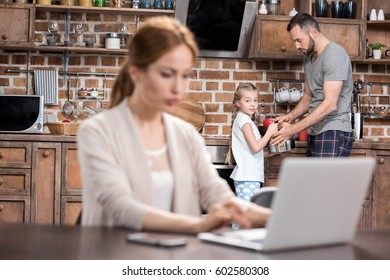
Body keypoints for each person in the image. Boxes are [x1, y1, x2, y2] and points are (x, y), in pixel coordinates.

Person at [77, 16, 270, 234]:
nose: (178, 87)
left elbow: (220, 197)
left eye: (185, 75)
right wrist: (199, 225)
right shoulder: (98, 132)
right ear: (136, 73)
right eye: (167, 74)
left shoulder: (185, 135)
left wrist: (280, 216)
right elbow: (120, 208)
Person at [271, 13, 354, 157]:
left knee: (325, 180)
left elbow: (330, 104)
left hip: (333, 130)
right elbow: (308, 96)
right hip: (316, 130)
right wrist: (290, 116)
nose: (297, 46)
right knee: (313, 180)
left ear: (313, 33)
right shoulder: (308, 58)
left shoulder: (334, 56)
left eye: (299, 40)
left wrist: (293, 129)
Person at [226, 83, 278, 202]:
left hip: (248, 176)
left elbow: (252, 152)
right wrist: (269, 132)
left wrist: (273, 152)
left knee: (246, 215)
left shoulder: (243, 119)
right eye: (248, 100)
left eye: (255, 100)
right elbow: (255, 148)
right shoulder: (245, 121)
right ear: (238, 102)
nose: (253, 104)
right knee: (247, 216)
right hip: (248, 177)